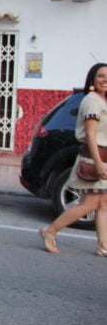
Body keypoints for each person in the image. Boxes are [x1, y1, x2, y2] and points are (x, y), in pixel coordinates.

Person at [39, 62, 107, 257]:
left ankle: (103, 245)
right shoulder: (92, 100)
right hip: (95, 158)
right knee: (90, 204)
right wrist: (99, 163)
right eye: (101, 75)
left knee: (103, 204)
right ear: (93, 79)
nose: (105, 79)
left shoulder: (102, 100)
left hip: (102, 158)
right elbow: (91, 135)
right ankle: (49, 231)